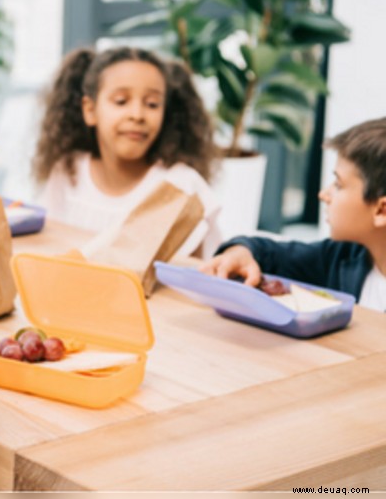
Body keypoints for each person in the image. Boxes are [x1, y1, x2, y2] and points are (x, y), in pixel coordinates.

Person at [33, 46, 221, 257]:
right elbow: (45, 249)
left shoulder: (181, 186)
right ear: (90, 110)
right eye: (121, 101)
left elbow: (192, 278)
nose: (137, 115)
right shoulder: (69, 170)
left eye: (152, 104)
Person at [202, 117, 386, 312]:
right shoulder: (341, 256)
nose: (323, 194)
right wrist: (240, 252)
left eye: (338, 185)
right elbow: (271, 254)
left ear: (381, 210)